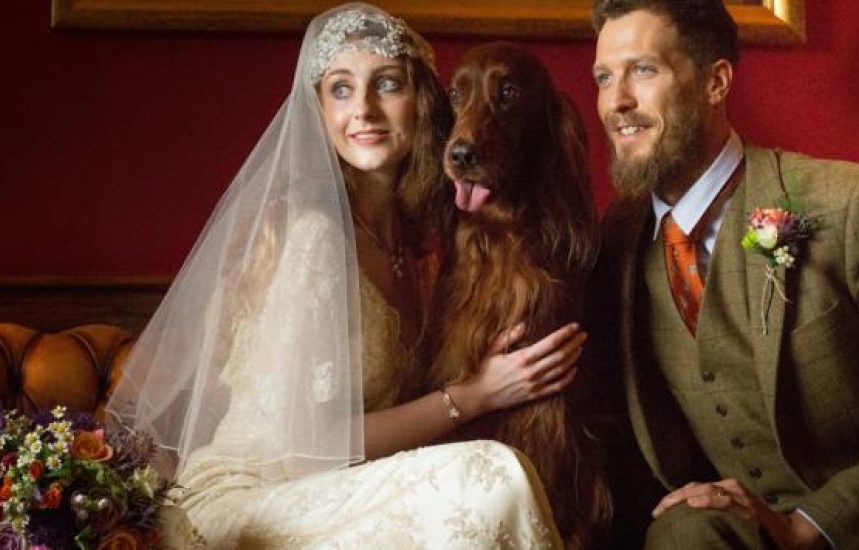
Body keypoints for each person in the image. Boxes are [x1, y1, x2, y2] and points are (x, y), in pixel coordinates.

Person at [105, 3, 584, 548]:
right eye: (340, 89)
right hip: (258, 498)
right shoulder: (315, 237)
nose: (363, 109)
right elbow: (303, 447)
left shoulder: (421, 245)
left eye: (386, 84)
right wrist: (473, 396)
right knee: (492, 476)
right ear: (317, 111)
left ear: (424, 104)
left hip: (344, 487)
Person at [587, 0, 859, 548]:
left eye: (643, 70)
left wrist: (812, 525)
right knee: (683, 533)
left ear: (716, 82)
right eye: (604, 77)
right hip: (740, 530)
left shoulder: (849, 203)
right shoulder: (615, 243)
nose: (617, 101)